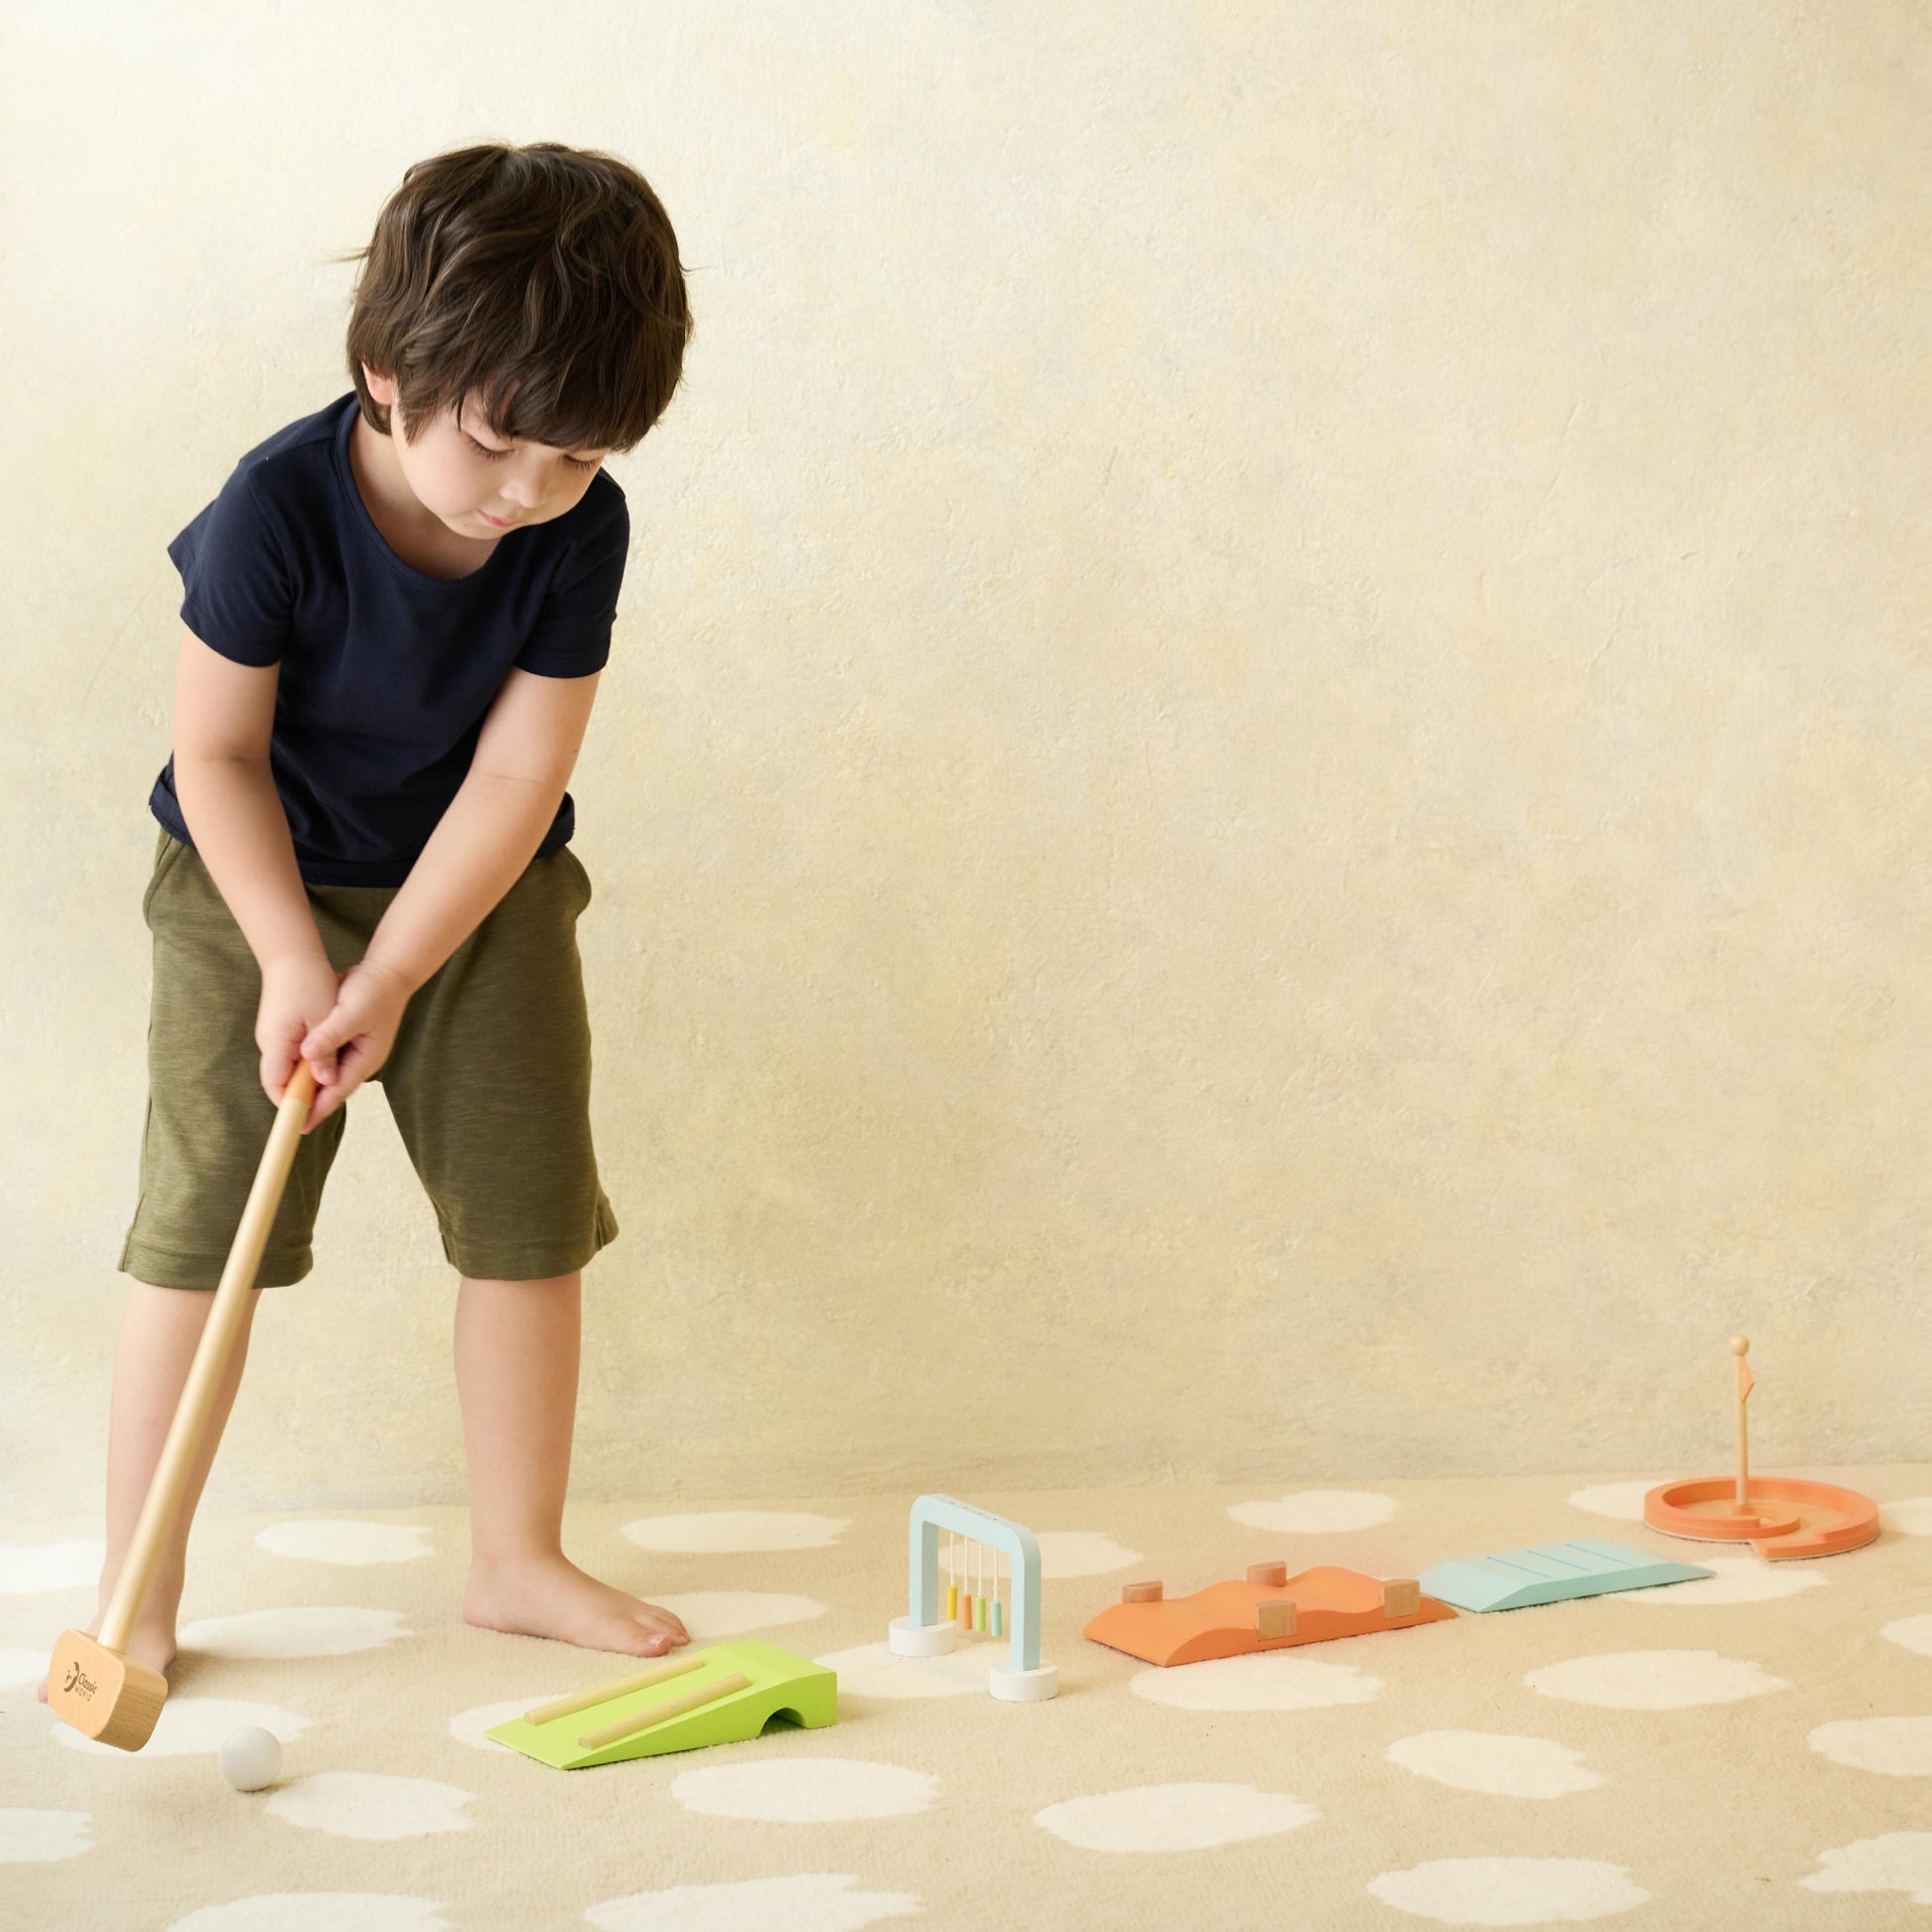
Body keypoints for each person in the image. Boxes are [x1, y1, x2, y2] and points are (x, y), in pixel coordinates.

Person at [49, 142, 694, 1700]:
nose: (531, 494)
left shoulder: (572, 529)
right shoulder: (273, 506)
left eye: (580, 458)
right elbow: (213, 754)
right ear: (386, 373)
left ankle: (514, 1557)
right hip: (250, 876)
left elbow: (521, 771)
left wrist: (396, 966)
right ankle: (137, 1584)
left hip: (480, 892)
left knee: (529, 1227)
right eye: (498, 445)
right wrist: (295, 957)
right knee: (203, 1239)